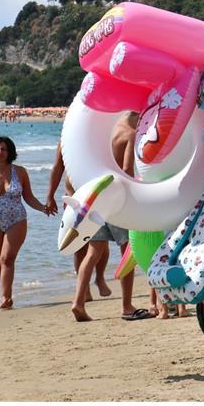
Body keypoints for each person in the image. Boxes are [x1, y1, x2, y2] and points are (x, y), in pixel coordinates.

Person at [53, 114, 149, 322]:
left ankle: (78, 301)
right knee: (127, 253)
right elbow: (125, 170)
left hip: (96, 199)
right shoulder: (130, 134)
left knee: (93, 253)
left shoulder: (106, 133)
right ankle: (126, 305)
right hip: (116, 201)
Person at [0, 136, 56, 309]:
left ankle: (5, 298)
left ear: (10, 152)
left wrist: (42, 208)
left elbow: (28, 197)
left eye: (3, 149)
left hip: (16, 220)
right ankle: (6, 296)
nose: (0, 152)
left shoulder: (21, 172)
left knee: (7, 258)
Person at [47, 142, 112, 302]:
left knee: (101, 242)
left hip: (95, 198)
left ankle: (100, 277)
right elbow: (57, 168)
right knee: (78, 245)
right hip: (74, 199)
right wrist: (50, 195)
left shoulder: (93, 137)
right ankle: (85, 288)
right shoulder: (64, 142)